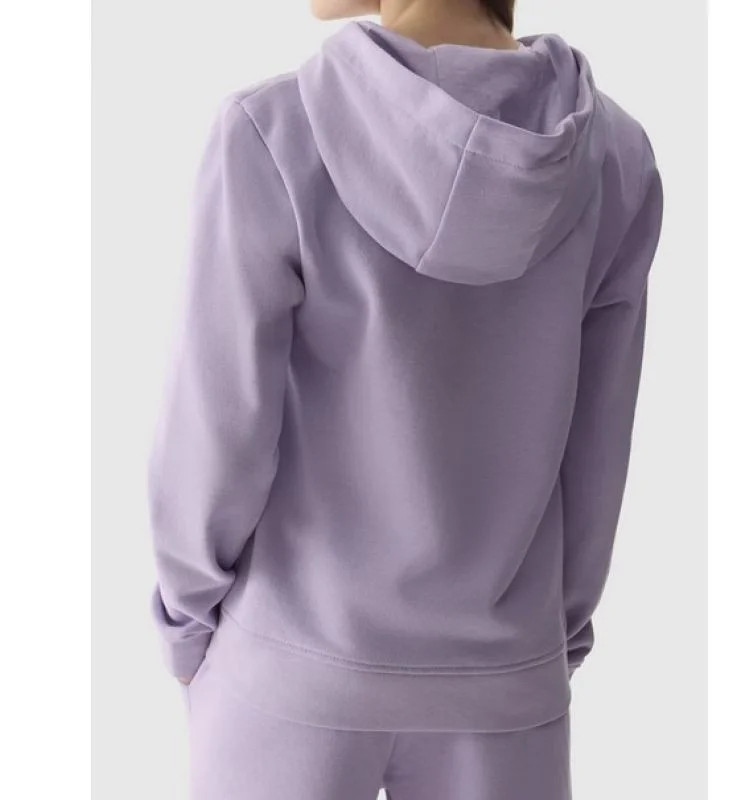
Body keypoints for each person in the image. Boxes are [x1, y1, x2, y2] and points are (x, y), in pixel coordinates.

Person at [147, 1, 664, 797]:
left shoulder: (273, 133)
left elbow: (218, 429)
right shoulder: (615, 158)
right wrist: (541, 646)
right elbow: (598, 445)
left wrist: (186, 620)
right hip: (505, 682)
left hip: (293, 671)